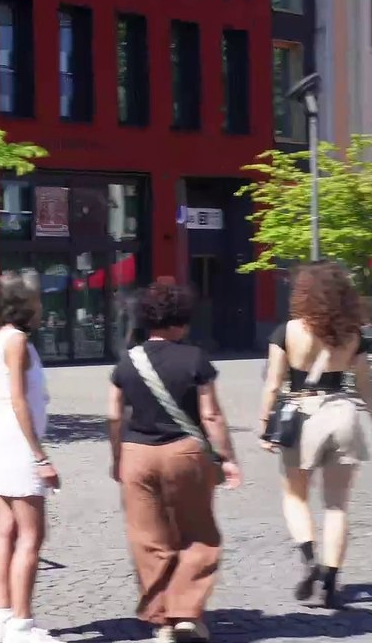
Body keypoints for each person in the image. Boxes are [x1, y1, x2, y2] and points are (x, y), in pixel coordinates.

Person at [108, 281, 241, 643]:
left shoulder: (127, 361)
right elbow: (210, 415)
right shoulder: (195, 358)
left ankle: (162, 622)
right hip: (185, 453)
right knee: (198, 535)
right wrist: (227, 457)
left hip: (136, 454)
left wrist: (117, 456)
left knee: (148, 539)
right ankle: (186, 615)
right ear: (181, 321)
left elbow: (114, 414)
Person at [259, 261, 371, 609]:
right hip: (343, 414)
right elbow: (366, 385)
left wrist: (265, 425)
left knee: (295, 496)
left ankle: (309, 561)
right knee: (337, 504)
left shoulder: (287, 331)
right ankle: (330, 581)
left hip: (302, 416)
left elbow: (274, 384)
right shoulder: (355, 334)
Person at [0, 270, 61, 643]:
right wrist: (40, 456)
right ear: (25, 304)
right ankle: (21, 624)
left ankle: (1, 616)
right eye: (38, 299)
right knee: (31, 534)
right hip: (16, 442)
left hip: (1, 438)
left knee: (5, 531)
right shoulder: (15, 341)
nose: (42, 307)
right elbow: (18, 400)